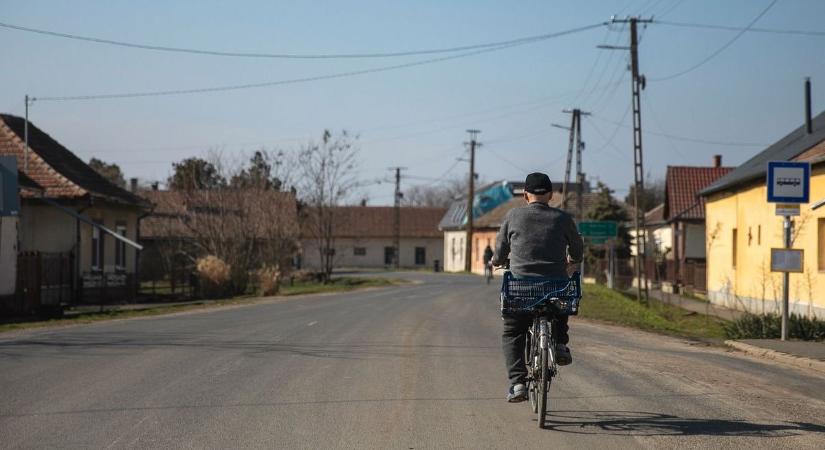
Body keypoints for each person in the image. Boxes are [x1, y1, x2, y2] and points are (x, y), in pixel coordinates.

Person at [491, 172, 583, 403]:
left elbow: (501, 250)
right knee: (560, 304)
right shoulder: (563, 218)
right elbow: (577, 248)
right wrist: (572, 260)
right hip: (555, 284)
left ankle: (518, 383)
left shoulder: (513, 216)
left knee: (513, 330)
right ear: (551, 195)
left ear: (525, 195)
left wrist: (496, 261)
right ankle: (560, 344)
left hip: (521, 288)